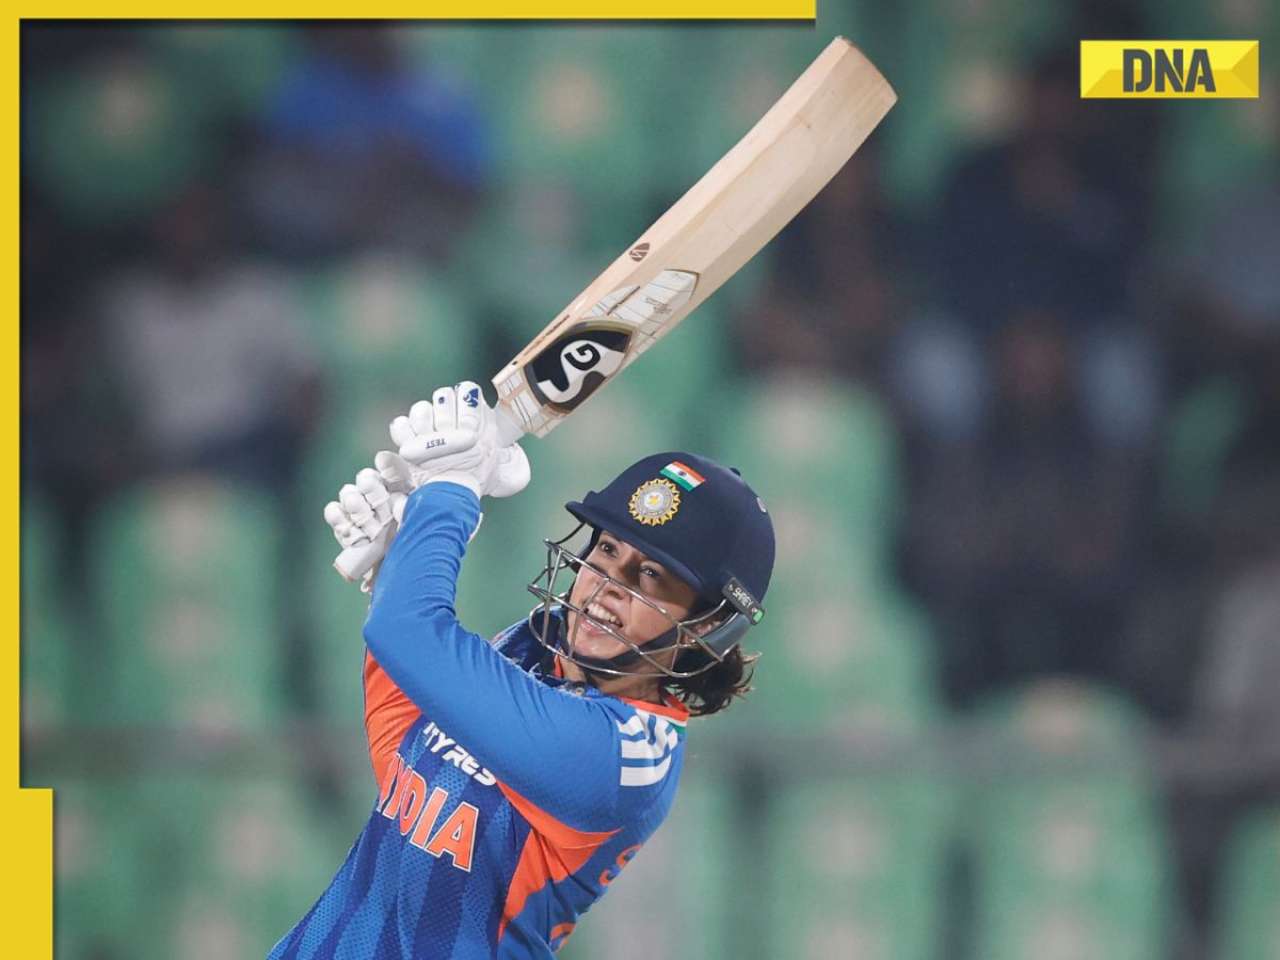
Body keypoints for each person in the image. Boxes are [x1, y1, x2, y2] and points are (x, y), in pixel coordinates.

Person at [269, 381, 775, 959]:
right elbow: (405, 757)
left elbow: (407, 631)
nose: (608, 586)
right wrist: (398, 564)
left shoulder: (624, 756)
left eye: (651, 575)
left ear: (707, 624)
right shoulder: (538, 644)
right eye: (608, 550)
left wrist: (450, 493)